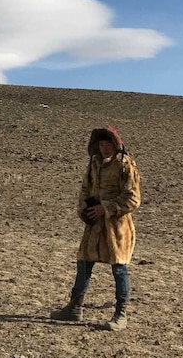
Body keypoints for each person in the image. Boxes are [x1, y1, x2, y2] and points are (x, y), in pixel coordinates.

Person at [50, 126, 141, 331]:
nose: (105, 148)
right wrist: (84, 209)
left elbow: (133, 199)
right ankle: (74, 308)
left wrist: (106, 208)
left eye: (108, 144)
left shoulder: (126, 165)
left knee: (119, 268)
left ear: (116, 144)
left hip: (117, 228)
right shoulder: (94, 163)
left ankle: (121, 314)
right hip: (94, 225)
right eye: (101, 144)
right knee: (83, 264)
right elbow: (85, 189)